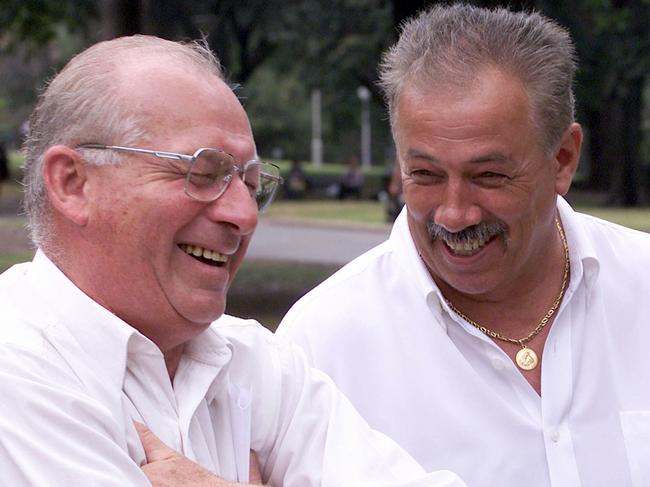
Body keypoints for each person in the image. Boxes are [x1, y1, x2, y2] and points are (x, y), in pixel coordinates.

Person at [0, 35, 466, 487]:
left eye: (250, 183)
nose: (243, 215)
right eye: (203, 173)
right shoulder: (17, 370)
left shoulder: (253, 364)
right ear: (73, 184)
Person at [278, 4, 650, 487]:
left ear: (562, 160)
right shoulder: (319, 347)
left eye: (489, 175)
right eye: (426, 175)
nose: (454, 214)